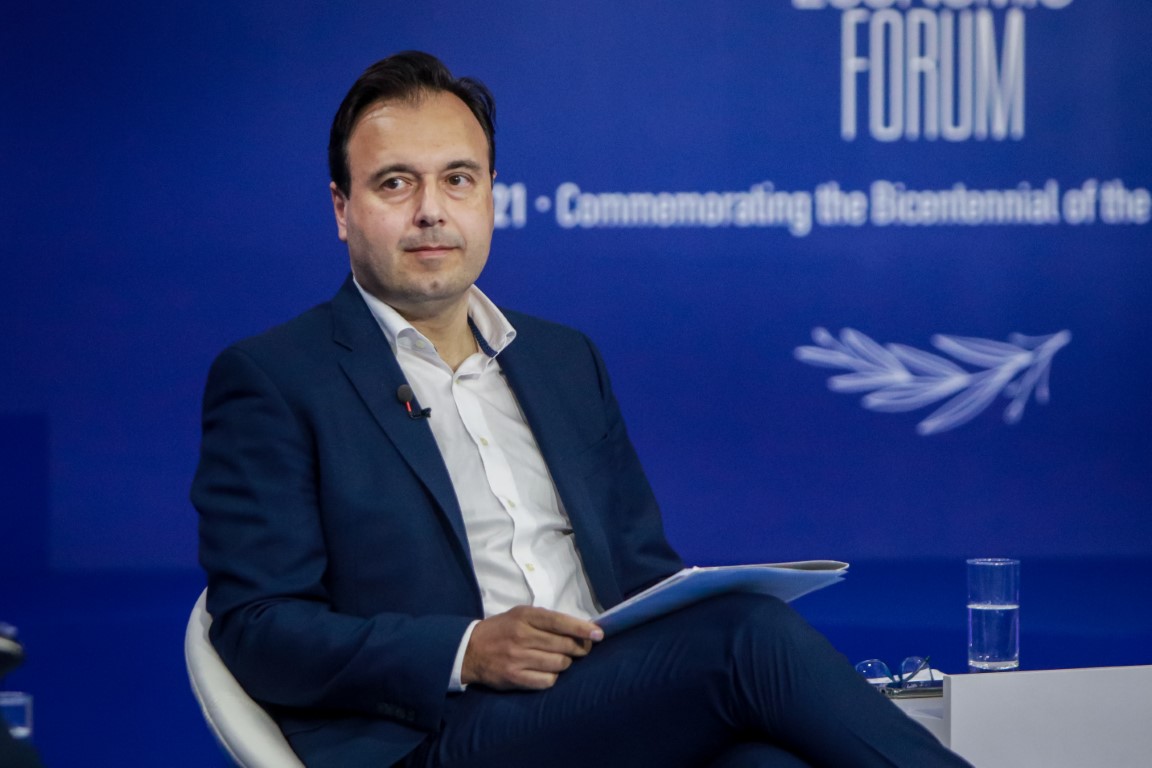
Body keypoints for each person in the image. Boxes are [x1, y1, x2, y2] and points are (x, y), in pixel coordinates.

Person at [192, 51, 971, 768]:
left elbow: (642, 573)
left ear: (490, 195)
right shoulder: (276, 378)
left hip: (606, 709)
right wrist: (465, 650)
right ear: (342, 209)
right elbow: (259, 629)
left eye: (458, 179)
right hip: (438, 734)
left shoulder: (563, 360)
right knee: (746, 636)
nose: (432, 210)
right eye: (396, 183)